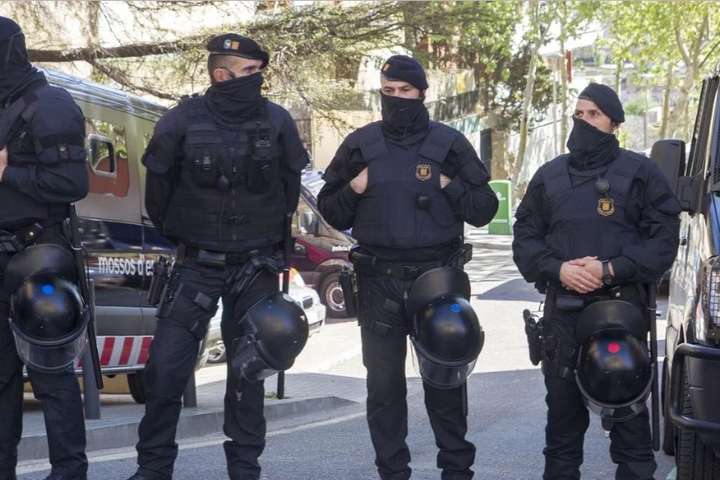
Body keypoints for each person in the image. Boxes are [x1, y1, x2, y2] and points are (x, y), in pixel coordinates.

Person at [126, 34, 308, 480]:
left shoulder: (277, 121)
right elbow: (158, 198)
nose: (257, 79)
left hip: (255, 266)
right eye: (249, 72)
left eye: (259, 72)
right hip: (197, 265)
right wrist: (193, 237)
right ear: (221, 74)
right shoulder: (180, 121)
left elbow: (289, 195)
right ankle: (153, 470)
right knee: (165, 370)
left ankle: (245, 469)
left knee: (248, 374)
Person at [318, 54, 498, 480]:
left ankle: (457, 471)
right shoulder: (360, 144)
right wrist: (356, 186)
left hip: (437, 278)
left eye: (405, 91)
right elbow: (331, 210)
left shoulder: (449, 144)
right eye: (388, 91)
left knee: (445, 383)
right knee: (383, 388)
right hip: (378, 279)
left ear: (421, 94)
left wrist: (448, 185)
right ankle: (392, 471)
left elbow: (484, 209)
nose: (396, 99)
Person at [512, 83, 681, 480]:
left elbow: (663, 242)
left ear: (614, 124)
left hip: (620, 314)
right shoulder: (550, 175)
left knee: (632, 437)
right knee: (562, 436)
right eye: (579, 114)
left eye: (593, 114)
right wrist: (559, 270)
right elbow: (525, 240)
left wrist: (610, 269)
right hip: (563, 316)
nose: (583, 121)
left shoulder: (641, 173)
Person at [0, 16, 90, 480]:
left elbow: (72, 183)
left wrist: (7, 172)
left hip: (37, 256)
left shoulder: (49, 104)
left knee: (51, 377)